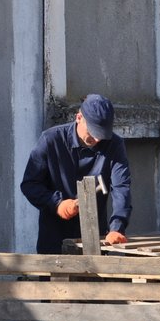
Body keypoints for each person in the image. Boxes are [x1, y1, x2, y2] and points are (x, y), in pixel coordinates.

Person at [21, 94, 131, 254]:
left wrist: (117, 227)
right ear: (79, 118)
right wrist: (56, 203)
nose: (97, 139)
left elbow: (121, 188)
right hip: (53, 239)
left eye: (101, 134)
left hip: (96, 239)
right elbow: (30, 184)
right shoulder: (51, 140)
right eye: (92, 131)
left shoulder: (114, 145)